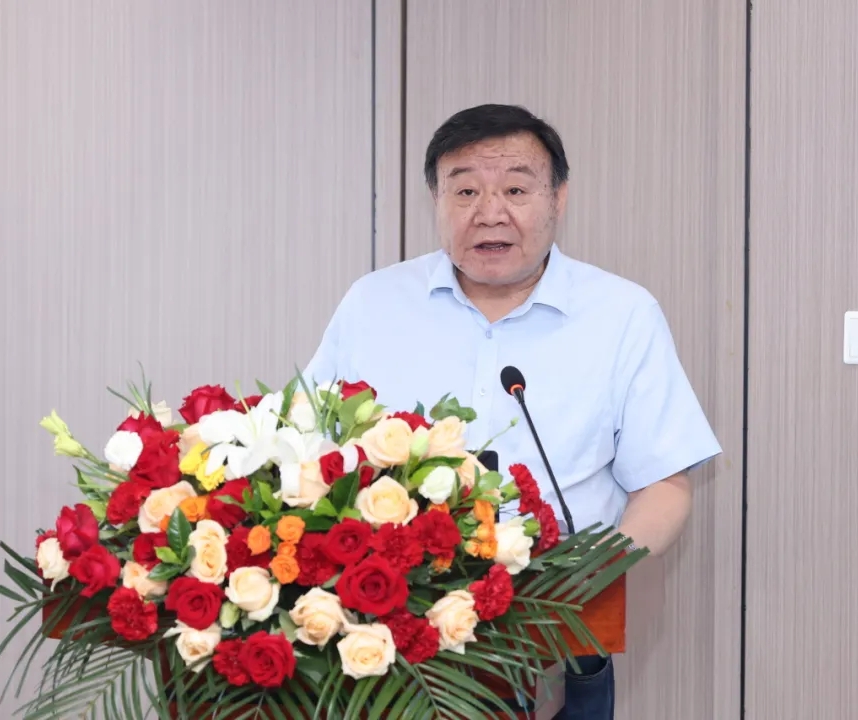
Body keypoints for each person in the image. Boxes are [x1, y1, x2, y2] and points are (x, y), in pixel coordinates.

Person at [304, 103, 721, 720]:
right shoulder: (373, 305)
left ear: (559, 199)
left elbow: (664, 484)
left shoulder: (621, 314)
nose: (490, 212)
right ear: (436, 200)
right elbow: (307, 451)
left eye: (516, 190)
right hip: (386, 634)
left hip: (557, 634)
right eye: (465, 190)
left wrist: (588, 575)